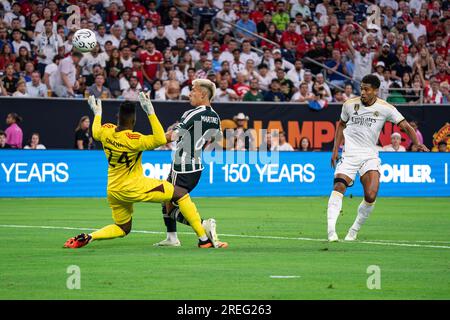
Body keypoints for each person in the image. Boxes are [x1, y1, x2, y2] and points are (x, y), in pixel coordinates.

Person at [64, 92, 225, 249]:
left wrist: (97, 114)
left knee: (123, 228)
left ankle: (90, 236)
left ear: (117, 118)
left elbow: (95, 131)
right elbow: (161, 139)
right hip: (135, 186)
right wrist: (151, 112)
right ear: (133, 121)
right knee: (180, 193)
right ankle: (203, 238)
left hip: (113, 190)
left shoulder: (106, 131)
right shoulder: (135, 140)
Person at [327, 74, 429, 242]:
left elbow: (405, 126)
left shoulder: (385, 108)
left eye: (367, 89)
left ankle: (354, 230)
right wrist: (334, 150)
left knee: (371, 195)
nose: (363, 92)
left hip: (369, 156)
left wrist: (417, 143)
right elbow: (341, 125)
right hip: (349, 154)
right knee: (338, 186)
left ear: (375, 90)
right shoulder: (349, 105)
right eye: (361, 88)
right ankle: (331, 231)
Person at [155, 79, 227, 248]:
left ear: (202, 94)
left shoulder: (192, 113)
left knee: (170, 206)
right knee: (166, 199)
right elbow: (217, 138)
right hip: (197, 166)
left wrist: (148, 142)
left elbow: (173, 136)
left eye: (193, 90)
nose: (189, 94)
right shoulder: (215, 117)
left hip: (181, 166)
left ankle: (203, 226)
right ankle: (172, 238)